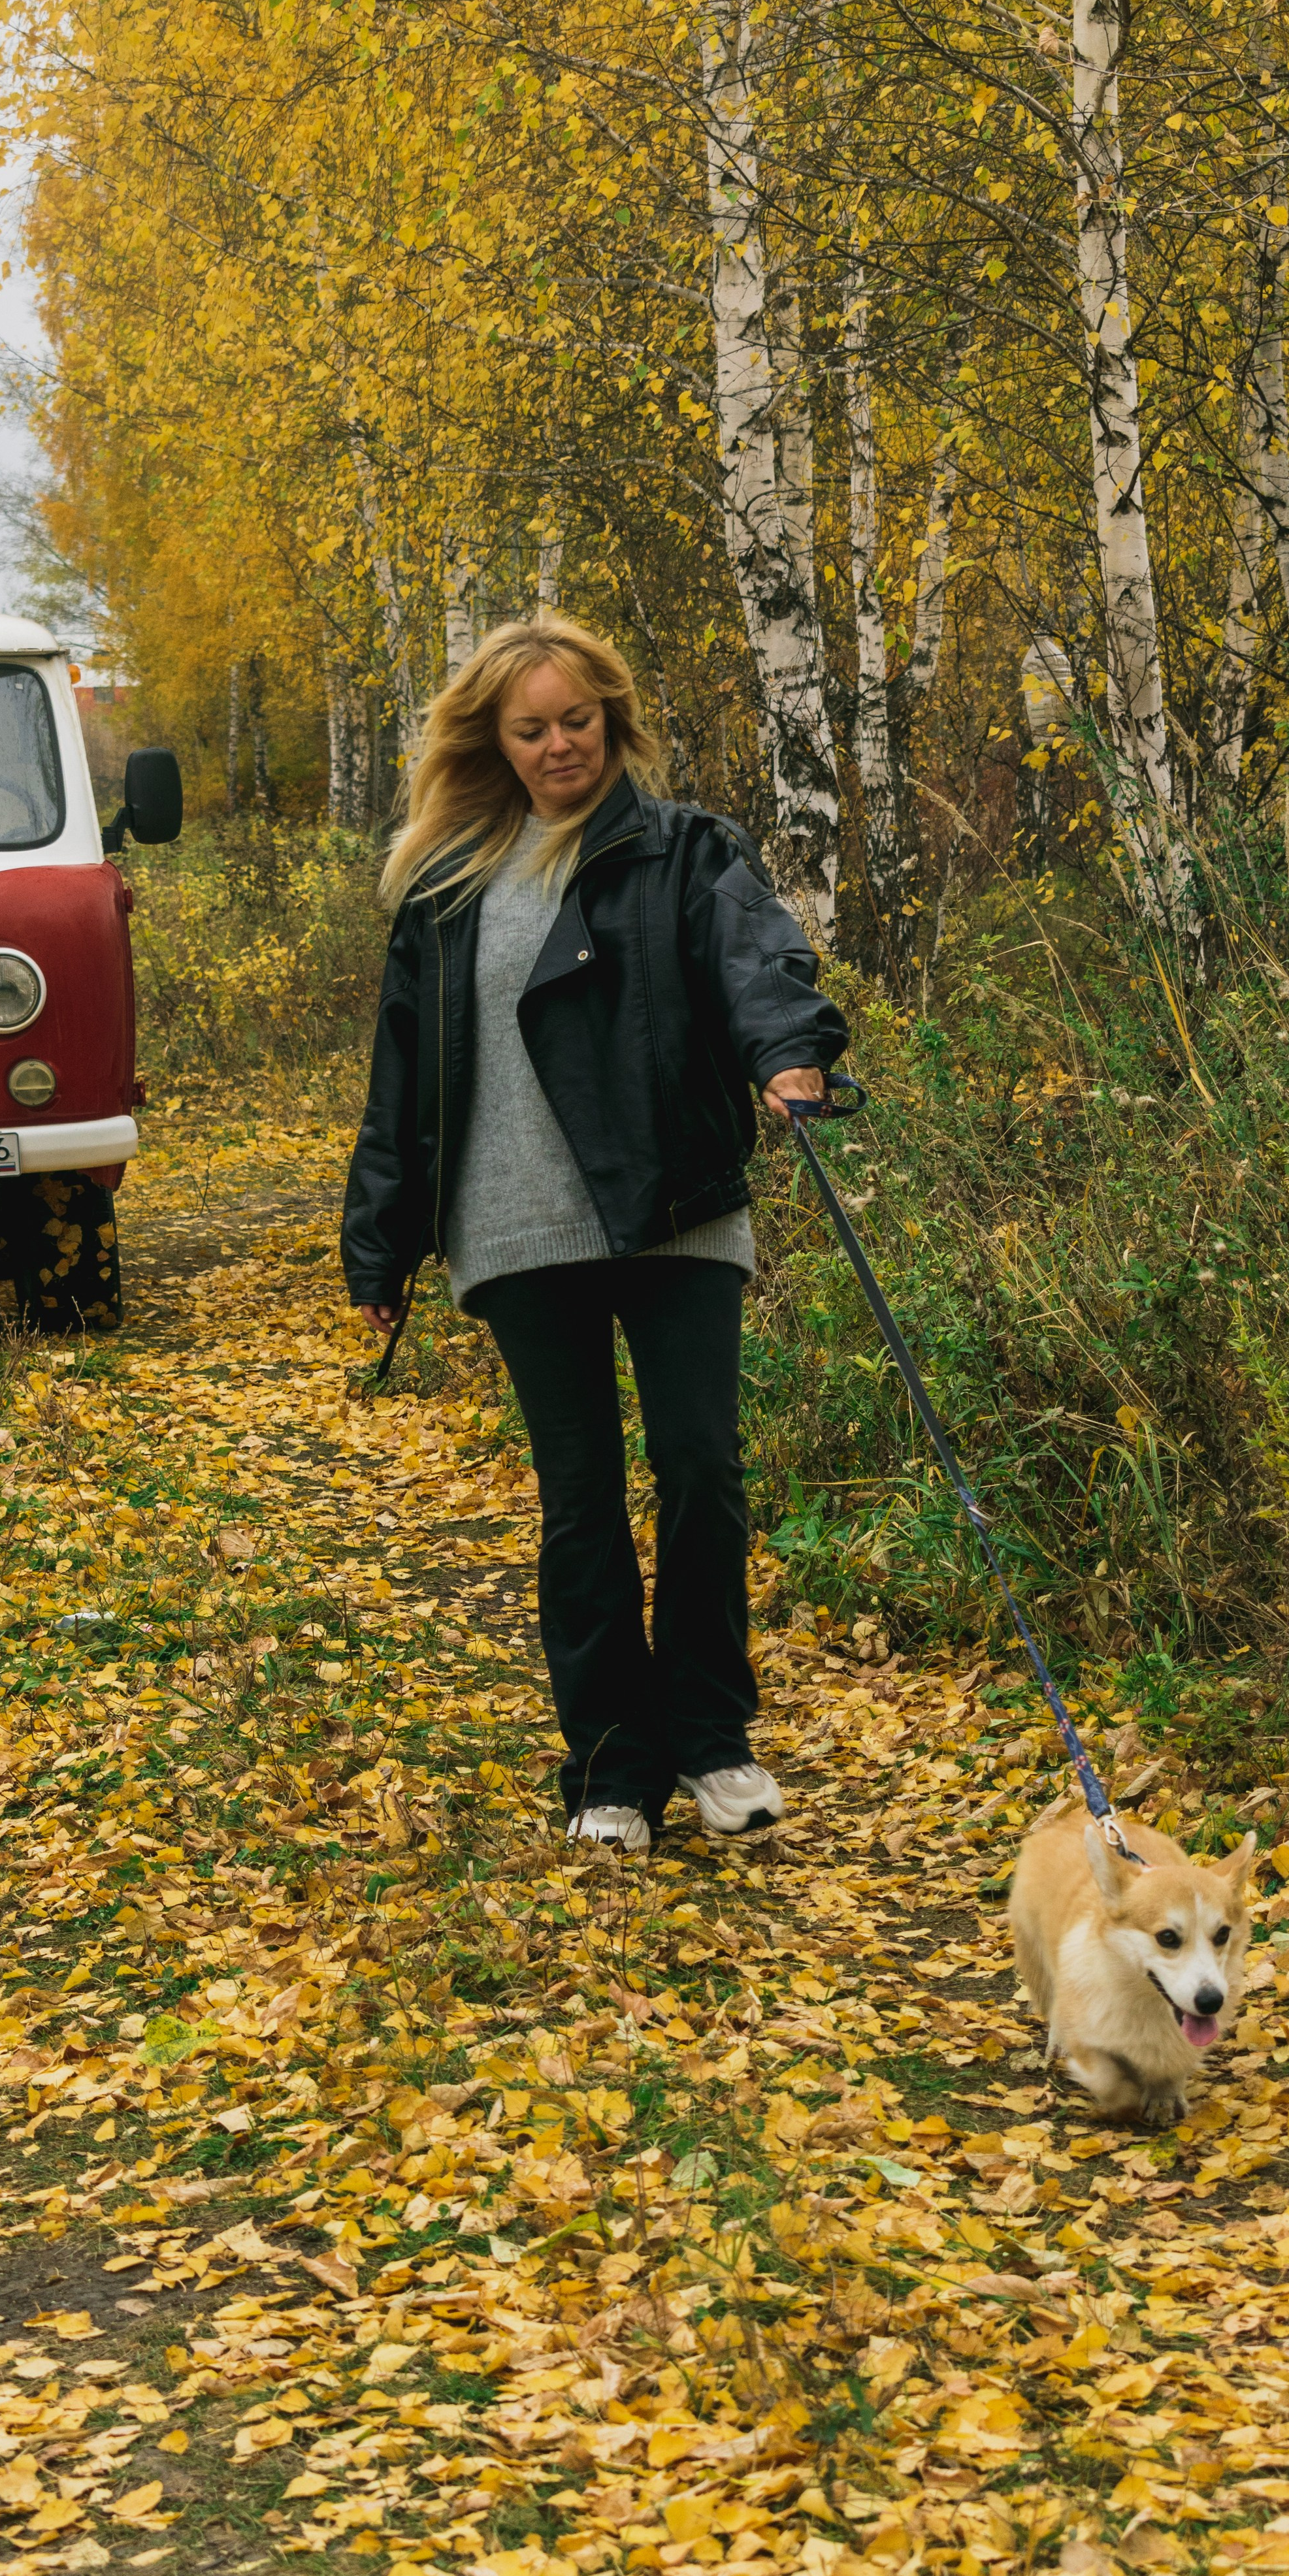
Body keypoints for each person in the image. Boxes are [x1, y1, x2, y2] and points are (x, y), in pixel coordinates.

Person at [341, 614, 848, 1852]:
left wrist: (788, 1060)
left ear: (613, 723)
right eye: (533, 728)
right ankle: (614, 1772)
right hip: (513, 1225)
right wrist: (381, 1247)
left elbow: (758, 967)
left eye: (579, 720)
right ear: (496, 742)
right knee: (579, 1501)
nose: (560, 743)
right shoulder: (448, 887)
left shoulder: (684, 852)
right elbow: (405, 1074)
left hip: (675, 1203)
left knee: (703, 1475)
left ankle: (715, 1745)